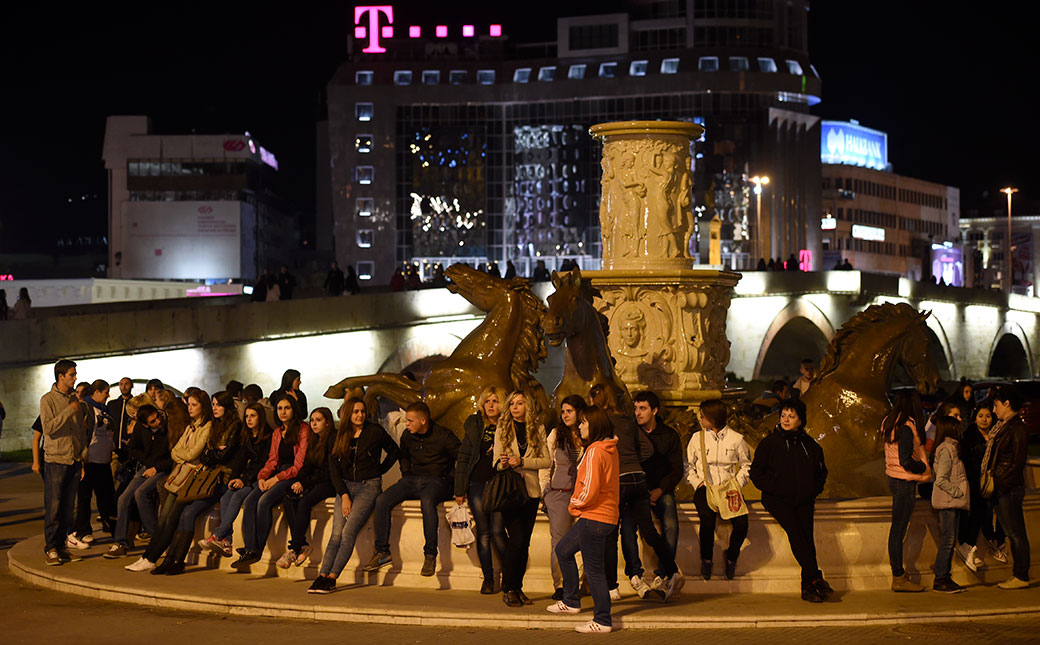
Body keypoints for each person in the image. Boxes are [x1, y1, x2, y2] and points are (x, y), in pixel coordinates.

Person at [309, 397, 400, 593]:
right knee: (336, 534)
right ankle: (322, 575)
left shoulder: (374, 431)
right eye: (356, 411)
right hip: (346, 487)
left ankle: (332, 578)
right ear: (348, 414)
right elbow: (334, 469)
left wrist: (379, 470)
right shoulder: (338, 435)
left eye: (362, 411)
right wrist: (344, 495)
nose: (360, 415)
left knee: (347, 532)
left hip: (369, 486)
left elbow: (394, 451)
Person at [363, 401, 460, 577]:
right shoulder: (408, 436)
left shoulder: (444, 435)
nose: (406, 424)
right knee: (382, 500)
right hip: (412, 479)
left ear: (423, 421)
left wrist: (456, 484)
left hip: (438, 481)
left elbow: (462, 457)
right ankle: (382, 551)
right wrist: (406, 473)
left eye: (410, 421)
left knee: (428, 501)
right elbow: (404, 457)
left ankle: (430, 554)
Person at [750, 398, 832, 602]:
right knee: (796, 535)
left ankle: (809, 587)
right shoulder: (770, 443)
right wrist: (774, 488)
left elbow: (821, 472)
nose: (786, 420)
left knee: (807, 540)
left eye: (791, 416)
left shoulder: (810, 445)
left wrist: (813, 490)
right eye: (783, 415)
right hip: (777, 500)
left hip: (804, 499)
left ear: (800, 420)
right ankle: (815, 578)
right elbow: (756, 473)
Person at [546, 405, 620, 634]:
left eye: (584, 422)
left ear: (595, 424)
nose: (580, 426)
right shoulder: (608, 448)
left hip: (594, 516)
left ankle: (603, 620)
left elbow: (590, 487)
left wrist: (574, 505)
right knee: (563, 550)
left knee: (594, 570)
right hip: (600, 516)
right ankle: (571, 601)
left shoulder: (596, 450)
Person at [154, 391, 244, 575]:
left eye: (218, 404)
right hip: (207, 477)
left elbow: (222, 455)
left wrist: (212, 453)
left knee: (187, 513)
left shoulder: (235, 427)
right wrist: (212, 452)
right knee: (180, 513)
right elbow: (203, 453)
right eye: (213, 404)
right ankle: (170, 559)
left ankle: (178, 560)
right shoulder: (215, 426)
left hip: (221, 480)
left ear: (227, 406)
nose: (215, 408)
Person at [125, 389, 214, 572]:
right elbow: (175, 451)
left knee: (171, 519)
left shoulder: (207, 427)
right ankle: (149, 557)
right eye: (189, 404)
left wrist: (182, 456)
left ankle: (154, 558)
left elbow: (191, 453)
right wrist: (183, 456)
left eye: (194, 405)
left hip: (190, 478)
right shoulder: (191, 426)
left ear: (203, 407)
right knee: (164, 519)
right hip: (180, 475)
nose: (190, 408)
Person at [233, 397, 311, 568]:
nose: (283, 412)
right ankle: (249, 548)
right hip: (277, 473)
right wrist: (262, 477)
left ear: (294, 409)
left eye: (287, 408)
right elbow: (272, 460)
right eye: (280, 408)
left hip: (292, 475)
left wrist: (276, 479)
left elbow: (298, 465)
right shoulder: (277, 431)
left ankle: (257, 549)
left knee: (264, 501)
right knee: (250, 500)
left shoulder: (303, 429)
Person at [494, 390, 551, 607]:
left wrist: (523, 462)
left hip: (531, 492)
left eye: (519, 403)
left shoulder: (538, 428)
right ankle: (508, 588)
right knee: (516, 539)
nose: (515, 407)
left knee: (524, 543)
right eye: (511, 404)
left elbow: (546, 461)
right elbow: (495, 463)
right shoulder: (502, 429)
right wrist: (504, 463)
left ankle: (517, 587)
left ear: (527, 405)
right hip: (510, 491)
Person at [686, 398, 751, 581]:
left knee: (742, 523)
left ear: (714, 418)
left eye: (703, 416)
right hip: (705, 487)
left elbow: (746, 465)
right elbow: (688, 465)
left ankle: (731, 557)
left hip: (729, 488)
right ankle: (706, 559)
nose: (700, 419)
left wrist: (737, 483)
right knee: (707, 520)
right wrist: (697, 483)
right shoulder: (697, 438)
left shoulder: (737, 439)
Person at [198, 402, 273, 557]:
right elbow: (240, 459)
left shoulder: (268, 436)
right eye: (246, 416)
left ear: (260, 417)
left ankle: (218, 535)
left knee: (238, 496)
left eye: (253, 416)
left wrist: (243, 480)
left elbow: (263, 463)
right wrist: (235, 478)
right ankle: (227, 541)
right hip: (245, 477)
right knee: (226, 497)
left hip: (260, 478)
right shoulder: (246, 436)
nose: (249, 419)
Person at [455, 386, 508, 594]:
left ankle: (510, 577)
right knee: (484, 532)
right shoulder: (475, 424)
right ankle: (488, 579)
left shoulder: (508, 426)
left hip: (500, 483)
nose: (491, 405)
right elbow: (463, 457)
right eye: (487, 401)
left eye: (495, 401)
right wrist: (460, 489)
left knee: (498, 531)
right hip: (477, 483)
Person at [630, 391, 683, 593]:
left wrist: (660, 490)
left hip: (662, 490)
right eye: (636, 408)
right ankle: (635, 574)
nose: (638, 413)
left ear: (654, 411)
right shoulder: (631, 433)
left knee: (670, 523)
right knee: (628, 527)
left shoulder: (669, 435)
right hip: (637, 490)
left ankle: (663, 574)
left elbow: (677, 469)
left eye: (643, 408)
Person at [105, 404, 172, 558]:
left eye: (157, 417)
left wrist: (156, 467)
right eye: (153, 421)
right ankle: (120, 543)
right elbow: (134, 448)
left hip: (163, 468)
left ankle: (157, 539)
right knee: (123, 498)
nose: (158, 421)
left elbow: (172, 456)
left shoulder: (168, 428)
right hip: (147, 466)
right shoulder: (141, 429)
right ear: (145, 424)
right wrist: (148, 463)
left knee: (141, 493)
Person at [40, 359, 90, 566]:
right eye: (72, 374)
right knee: (54, 507)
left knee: (68, 509)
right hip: (56, 460)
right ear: (61, 376)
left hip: (74, 460)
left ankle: (62, 547)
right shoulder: (48, 400)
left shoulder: (74, 400)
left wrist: (83, 453)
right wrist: (69, 410)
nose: (75, 378)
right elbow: (49, 428)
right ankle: (51, 548)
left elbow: (79, 430)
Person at [882, 389, 932, 592]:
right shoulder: (905, 427)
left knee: (897, 530)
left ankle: (899, 576)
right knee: (898, 530)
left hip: (895, 478)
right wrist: (923, 467)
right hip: (904, 481)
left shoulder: (890, 422)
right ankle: (898, 577)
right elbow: (906, 460)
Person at [540, 394, 586, 600]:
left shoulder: (587, 433)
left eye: (570, 411)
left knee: (583, 540)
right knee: (559, 541)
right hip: (559, 493)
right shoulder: (556, 434)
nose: (565, 415)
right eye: (563, 411)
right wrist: (545, 491)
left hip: (583, 494)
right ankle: (560, 584)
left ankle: (578, 583)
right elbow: (545, 464)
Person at [278, 407, 336, 568]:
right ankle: (302, 544)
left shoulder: (333, 439)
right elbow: (307, 466)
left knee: (305, 502)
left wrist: (304, 483)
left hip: (330, 482)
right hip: (313, 480)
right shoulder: (314, 440)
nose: (314, 424)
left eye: (319, 420)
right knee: (289, 498)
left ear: (327, 422)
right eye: (312, 420)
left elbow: (327, 472)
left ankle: (294, 549)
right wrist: (299, 482)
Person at [986, 385, 1031, 589]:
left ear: (1007, 404)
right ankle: (1019, 574)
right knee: (1011, 532)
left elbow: (1017, 461)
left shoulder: (1017, 428)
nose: (993, 410)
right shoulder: (1004, 426)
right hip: (1002, 486)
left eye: (996, 405)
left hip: (1009, 487)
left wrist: (1001, 481)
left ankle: (1021, 575)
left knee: (1015, 533)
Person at [957, 402, 1005, 570]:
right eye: (981, 416)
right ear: (975, 418)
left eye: (988, 416)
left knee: (995, 511)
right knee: (979, 512)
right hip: (975, 482)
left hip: (993, 481)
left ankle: (994, 542)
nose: (984, 420)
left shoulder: (996, 435)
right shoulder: (969, 436)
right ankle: (973, 545)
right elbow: (967, 460)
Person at [71, 380, 118, 544]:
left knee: (107, 497)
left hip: (104, 460)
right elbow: (79, 434)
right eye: (106, 392)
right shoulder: (85, 408)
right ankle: (83, 531)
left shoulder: (105, 410)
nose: (108, 396)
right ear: (96, 392)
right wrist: (81, 459)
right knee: (84, 498)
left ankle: (113, 528)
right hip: (89, 461)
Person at [930, 415, 969, 593]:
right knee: (948, 540)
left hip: (951, 501)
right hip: (948, 502)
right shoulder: (947, 449)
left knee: (950, 539)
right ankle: (941, 578)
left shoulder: (951, 447)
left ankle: (943, 576)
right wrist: (957, 492)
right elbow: (941, 479)